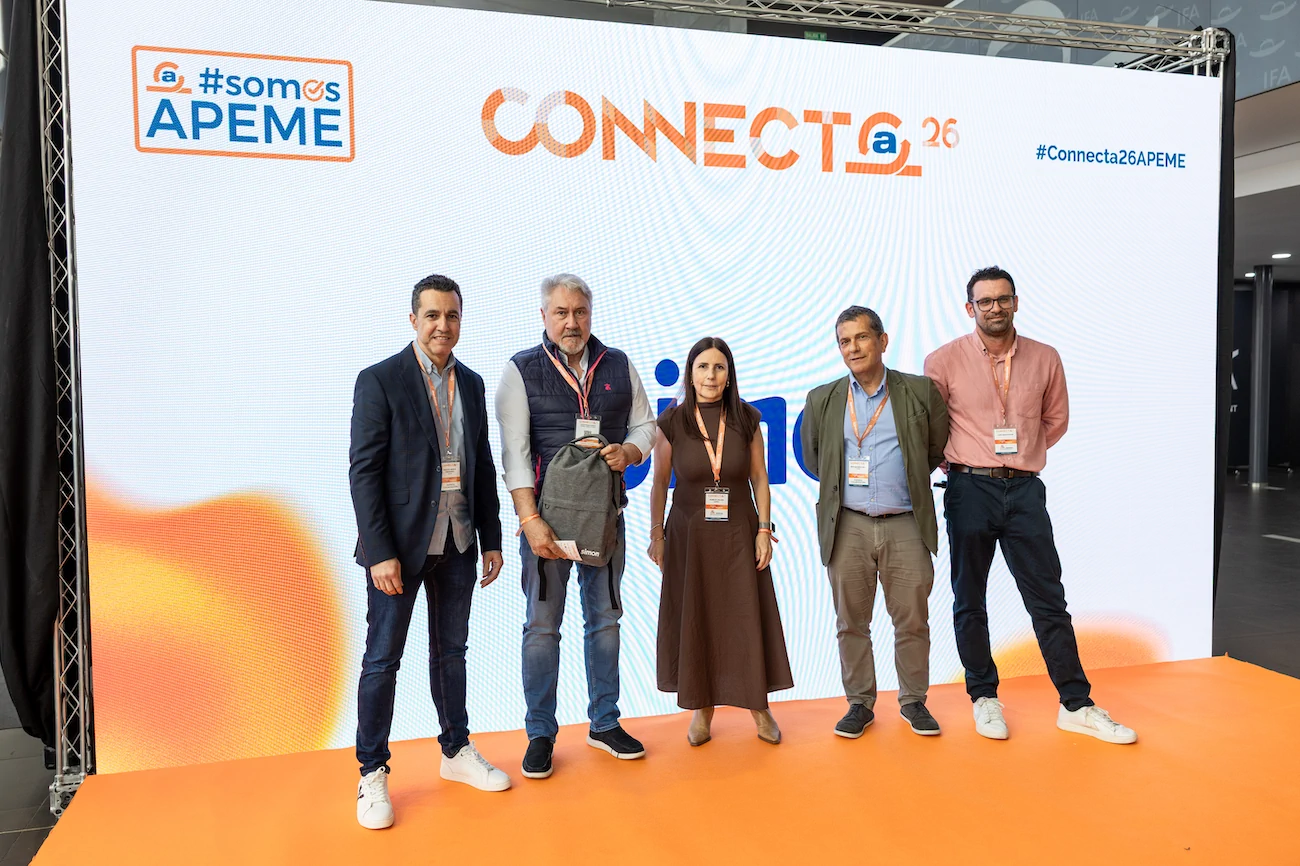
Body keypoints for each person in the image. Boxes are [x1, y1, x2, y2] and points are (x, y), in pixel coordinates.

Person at [924, 266, 1137, 744]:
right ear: (970, 309)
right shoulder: (942, 361)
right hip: (968, 489)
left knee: (1048, 600)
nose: (995, 308)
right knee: (969, 598)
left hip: (1024, 490)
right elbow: (931, 429)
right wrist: (963, 462)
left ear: (1016, 302)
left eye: (1003, 299)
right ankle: (984, 697)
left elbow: (1055, 421)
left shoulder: (1045, 357)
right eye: (985, 301)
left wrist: (1019, 458)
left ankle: (1076, 704)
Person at [349, 274, 509, 831]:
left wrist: (491, 537)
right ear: (413, 319)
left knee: (452, 652)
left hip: (458, 542)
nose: (443, 325)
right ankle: (372, 772)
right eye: (433, 315)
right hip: (398, 550)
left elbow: (481, 465)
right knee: (382, 659)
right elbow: (364, 473)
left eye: (452, 315)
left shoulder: (473, 384)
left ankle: (455, 750)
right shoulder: (380, 380)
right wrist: (379, 553)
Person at [496, 274, 658, 779]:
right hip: (545, 526)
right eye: (562, 312)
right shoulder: (521, 370)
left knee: (605, 621)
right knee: (542, 627)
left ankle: (604, 723)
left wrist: (630, 451)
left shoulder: (618, 365)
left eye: (580, 312)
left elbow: (647, 425)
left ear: (591, 314)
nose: (572, 322)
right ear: (543, 316)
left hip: (605, 520)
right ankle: (540, 733)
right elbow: (515, 454)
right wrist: (530, 521)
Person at [802, 306, 950, 739]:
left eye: (862, 338)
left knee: (912, 620)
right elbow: (815, 457)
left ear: (882, 341)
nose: (853, 348)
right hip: (848, 525)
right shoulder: (822, 398)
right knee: (850, 622)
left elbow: (934, 448)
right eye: (844, 341)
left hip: (905, 521)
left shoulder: (919, 391)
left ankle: (914, 701)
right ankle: (859, 703)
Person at [647, 338, 792, 746]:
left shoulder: (746, 418)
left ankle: (759, 708)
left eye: (719, 368)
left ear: (729, 375)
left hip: (738, 534)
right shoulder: (672, 421)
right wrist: (656, 533)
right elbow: (659, 482)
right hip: (689, 537)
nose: (711, 376)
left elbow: (759, 477)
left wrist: (763, 530)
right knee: (698, 617)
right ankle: (701, 709)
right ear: (690, 373)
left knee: (744, 617)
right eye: (703, 367)